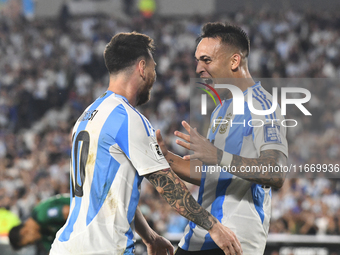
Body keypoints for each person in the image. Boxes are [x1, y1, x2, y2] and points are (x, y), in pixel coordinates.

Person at [50, 32, 242, 255]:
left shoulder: (86, 116)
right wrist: (215, 227)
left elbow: (114, 194)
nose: (154, 75)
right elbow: (167, 185)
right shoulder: (128, 118)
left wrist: (149, 236)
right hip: (104, 249)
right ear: (142, 67)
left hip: (64, 247)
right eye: (153, 67)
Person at [156, 23, 288, 255]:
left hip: (234, 239)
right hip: (199, 234)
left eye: (206, 60)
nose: (198, 69)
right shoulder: (221, 109)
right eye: (198, 60)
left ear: (234, 61)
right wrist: (168, 158)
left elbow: (276, 171)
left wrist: (217, 155)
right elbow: (214, 175)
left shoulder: (263, 105)